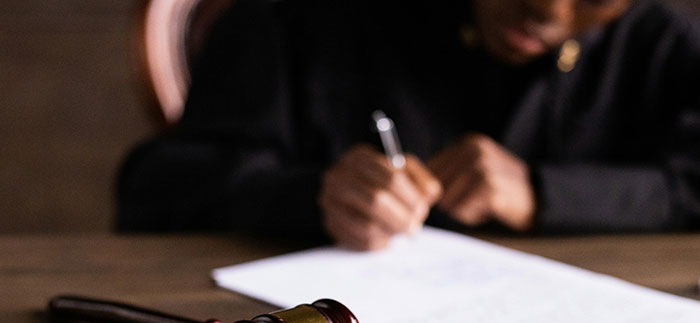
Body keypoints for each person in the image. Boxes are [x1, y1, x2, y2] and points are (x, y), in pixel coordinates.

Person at [118, 0, 700, 250]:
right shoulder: (301, 19)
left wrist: (547, 195)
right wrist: (311, 196)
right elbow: (153, 190)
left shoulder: (657, 44)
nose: (547, 9)